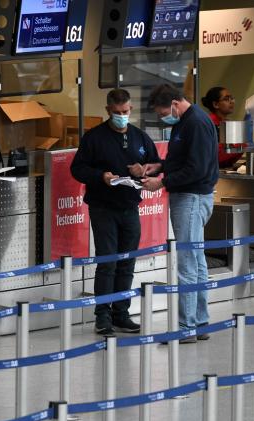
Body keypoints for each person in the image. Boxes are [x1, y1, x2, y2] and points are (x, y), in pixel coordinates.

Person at [70, 88, 160, 335]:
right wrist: (101, 177)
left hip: (130, 207)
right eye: (117, 112)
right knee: (107, 262)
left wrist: (144, 170)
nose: (122, 116)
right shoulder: (94, 138)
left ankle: (122, 313)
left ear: (131, 109)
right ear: (108, 111)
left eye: (126, 111)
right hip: (103, 208)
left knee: (127, 262)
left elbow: (156, 164)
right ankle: (103, 316)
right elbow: (77, 169)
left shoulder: (140, 137)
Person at [140, 84, 219, 343]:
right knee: (196, 259)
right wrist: (159, 166)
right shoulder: (184, 122)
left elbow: (196, 168)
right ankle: (199, 321)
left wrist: (162, 182)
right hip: (189, 196)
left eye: (164, 112)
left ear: (175, 103)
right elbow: (184, 160)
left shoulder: (196, 123)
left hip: (192, 197)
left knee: (187, 260)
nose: (163, 117)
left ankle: (186, 326)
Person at [202, 87, 242, 169]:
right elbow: (215, 155)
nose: (231, 102)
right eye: (226, 99)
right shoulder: (208, 124)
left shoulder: (228, 124)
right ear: (215, 104)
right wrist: (241, 146)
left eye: (232, 98)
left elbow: (232, 156)